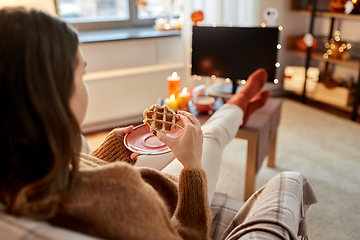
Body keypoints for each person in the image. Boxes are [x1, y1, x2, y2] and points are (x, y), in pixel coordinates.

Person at [0, 7, 317, 240]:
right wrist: (192, 167)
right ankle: (241, 102)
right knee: (209, 137)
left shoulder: (24, 164)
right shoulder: (121, 194)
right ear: (50, 96)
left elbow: (78, 170)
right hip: (171, 202)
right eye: (81, 74)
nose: (85, 84)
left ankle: (240, 105)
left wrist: (115, 147)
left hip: (144, 183)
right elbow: (188, 235)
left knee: (197, 133)